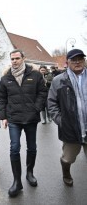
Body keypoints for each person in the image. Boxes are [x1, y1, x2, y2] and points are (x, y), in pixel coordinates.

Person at [0, 49, 47, 197]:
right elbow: (2, 99)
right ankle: (16, 182)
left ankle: (30, 173)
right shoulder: (5, 78)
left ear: (23, 58)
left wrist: (36, 108)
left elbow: (42, 92)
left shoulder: (35, 74)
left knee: (32, 147)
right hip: (14, 118)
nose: (14, 61)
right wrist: (4, 117)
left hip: (31, 118)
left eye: (17, 58)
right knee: (14, 148)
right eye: (12, 59)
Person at [48, 49, 87, 187]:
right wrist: (60, 120)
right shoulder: (59, 80)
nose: (78, 62)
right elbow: (51, 103)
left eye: (80, 59)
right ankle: (66, 173)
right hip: (70, 127)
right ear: (67, 63)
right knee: (68, 158)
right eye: (74, 60)